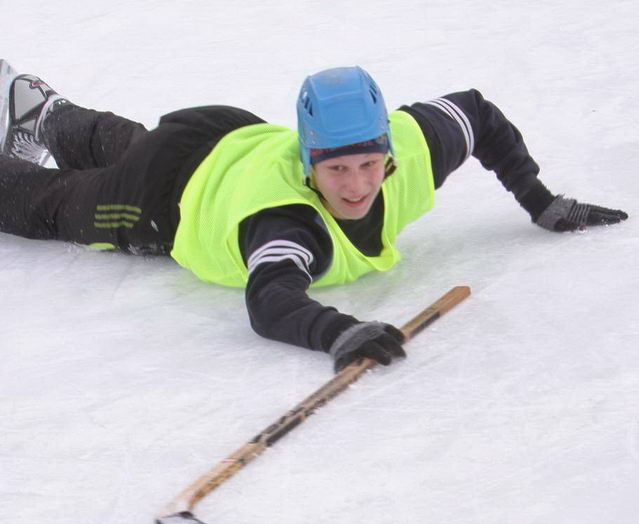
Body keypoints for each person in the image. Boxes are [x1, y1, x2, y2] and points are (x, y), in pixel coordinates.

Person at [0, 62, 628, 371]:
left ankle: (46, 113)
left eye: (369, 164)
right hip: (159, 203)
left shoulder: (409, 150)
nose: (356, 185)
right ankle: (46, 123)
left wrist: (541, 202)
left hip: (222, 137)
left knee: (133, 146)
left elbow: (477, 114)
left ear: (387, 150)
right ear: (308, 160)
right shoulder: (288, 223)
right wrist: (339, 332)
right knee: (50, 206)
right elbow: (270, 299)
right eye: (336, 169)